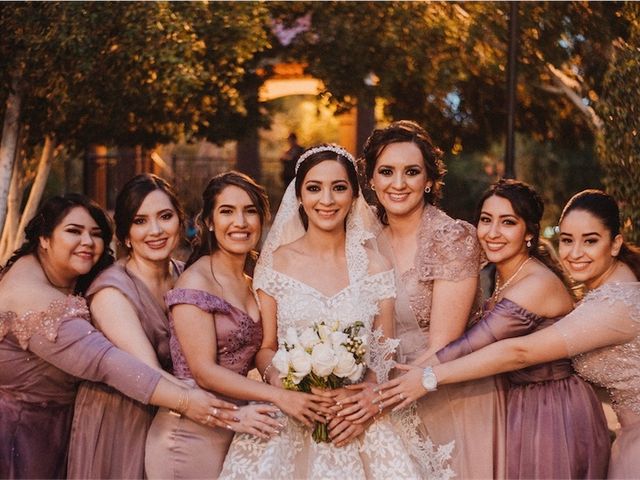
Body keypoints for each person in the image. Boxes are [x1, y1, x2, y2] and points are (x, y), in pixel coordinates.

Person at [219, 145, 450, 480]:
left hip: (355, 415)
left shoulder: (374, 265)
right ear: (299, 197)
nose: (326, 200)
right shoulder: (275, 263)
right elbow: (266, 347)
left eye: (339, 188)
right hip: (292, 410)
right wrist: (284, 386)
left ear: (354, 196)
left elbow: (383, 353)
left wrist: (364, 400)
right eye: (314, 188)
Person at [375, 183, 613, 479]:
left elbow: (472, 345)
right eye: (486, 220)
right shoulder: (501, 277)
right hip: (520, 402)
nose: (493, 232)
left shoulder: (537, 284)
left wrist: (407, 382)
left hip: (554, 409)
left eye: (508, 222)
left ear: (529, 233)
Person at [0, 194, 238, 479]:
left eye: (96, 234)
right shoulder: (32, 295)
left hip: (61, 423)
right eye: (73, 231)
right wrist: (189, 402)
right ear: (44, 239)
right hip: (22, 435)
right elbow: (106, 362)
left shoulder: (65, 273)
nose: (88, 242)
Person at [145, 171, 328, 479]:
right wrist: (279, 396)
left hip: (238, 429)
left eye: (250, 211)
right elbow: (204, 370)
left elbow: (267, 348)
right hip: (189, 435)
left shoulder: (254, 280)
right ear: (210, 222)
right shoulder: (197, 282)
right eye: (227, 211)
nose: (240, 222)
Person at [354, 120, 506, 478]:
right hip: (382, 393)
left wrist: (377, 400)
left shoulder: (451, 238)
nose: (398, 183)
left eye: (411, 172)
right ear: (372, 180)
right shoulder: (361, 242)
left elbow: (444, 343)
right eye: (387, 172)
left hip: (444, 393)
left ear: (429, 180)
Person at [67, 174, 190, 478]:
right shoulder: (111, 291)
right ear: (124, 235)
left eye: (165, 216)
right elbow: (147, 374)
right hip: (121, 419)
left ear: (179, 219)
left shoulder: (187, 275)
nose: (156, 230)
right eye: (140, 221)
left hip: (174, 416)